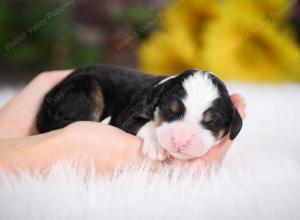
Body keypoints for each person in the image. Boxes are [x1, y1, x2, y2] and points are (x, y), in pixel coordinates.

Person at [0, 70, 246, 174]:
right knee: (87, 90)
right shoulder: (154, 97)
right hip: (83, 87)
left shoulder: (164, 96)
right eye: (171, 114)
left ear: (231, 125)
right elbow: (127, 121)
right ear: (156, 105)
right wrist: (149, 130)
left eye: (210, 124)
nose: (181, 141)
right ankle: (55, 132)